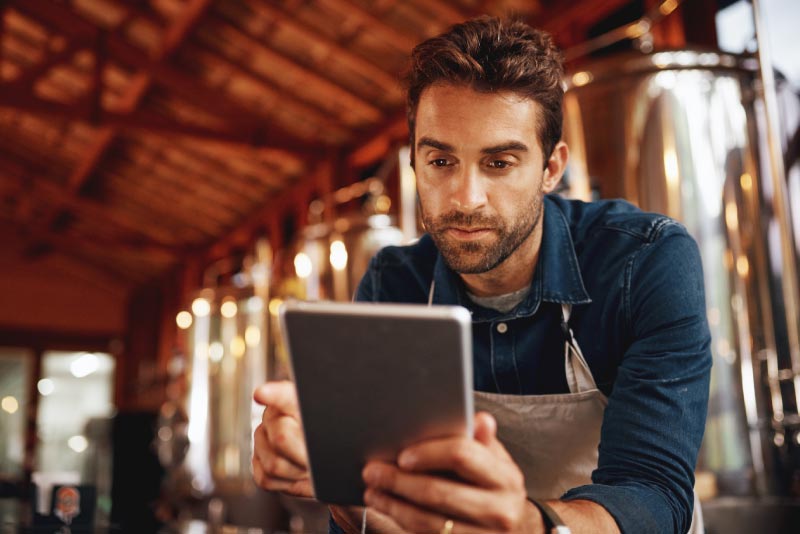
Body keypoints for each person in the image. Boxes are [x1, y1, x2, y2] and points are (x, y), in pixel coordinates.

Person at [252, 16, 711, 534]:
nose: (465, 199)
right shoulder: (394, 286)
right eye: (442, 160)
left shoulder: (643, 263)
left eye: (499, 163)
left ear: (551, 168)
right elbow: (368, 508)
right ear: (416, 164)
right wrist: (334, 481)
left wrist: (526, 525)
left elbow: (651, 492)